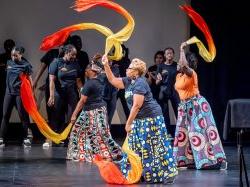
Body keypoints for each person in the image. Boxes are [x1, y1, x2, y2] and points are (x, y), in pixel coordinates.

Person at [101, 55, 177, 184]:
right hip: (139, 119)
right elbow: (113, 80)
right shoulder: (128, 81)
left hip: (151, 119)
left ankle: (168, 173)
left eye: (129, 68)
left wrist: (128, 123)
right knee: (136, 146)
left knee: (155, 146)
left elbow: (136, 106)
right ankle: (139, 172)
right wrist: (106, 65)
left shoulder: (140, 83)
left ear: (136, 71)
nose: (126, 69)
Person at [173, 42, 227, 170]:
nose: (178, 63)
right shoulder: (178, 75)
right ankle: (187, 160)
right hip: (184, 107)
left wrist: (181, 50)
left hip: (196, 106)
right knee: (183, 134)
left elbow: (184, 65)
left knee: (199, 133)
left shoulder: (191, 74)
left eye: (180, 62)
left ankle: (211, 161)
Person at [67, 63, 122, 162]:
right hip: (97, 110)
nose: (85, 72)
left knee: (94, 133)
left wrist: (74, 114)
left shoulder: (90, 83)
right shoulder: (101, 79)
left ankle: (112, 153)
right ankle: (85, 154)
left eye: (87, 70)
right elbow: (101, 71)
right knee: (92, 132)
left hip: (92, 111)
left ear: (92, 71)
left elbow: (82, 101)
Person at [33, 37, 71, 147]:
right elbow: (43, 68)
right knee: (52, 113)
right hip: (51, 88)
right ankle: (49, 138)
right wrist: (35, 81)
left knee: (63, 113)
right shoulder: (52, 54)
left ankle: (59, 136)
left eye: (65, 44)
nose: (62, 45)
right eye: (61, 43)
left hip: (64, 88)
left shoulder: (70, 55)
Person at [48, 44, 82, 144]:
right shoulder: (56, 62)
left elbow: (78, 80)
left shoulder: (76, 63)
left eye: (75, 55)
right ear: (66, 53)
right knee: (57, 115)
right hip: (59, 93)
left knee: (72, 116)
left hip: (72, 93)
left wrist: (82, 90)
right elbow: (52, 80)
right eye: (72, 55)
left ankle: (70, 137)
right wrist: (51, 95)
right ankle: (55, 137)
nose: (74, 57)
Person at [0, 46, 32, 148]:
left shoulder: (26, 65)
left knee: (23, 116)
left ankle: (26, 138)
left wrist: (32, 94)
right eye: (12, 55)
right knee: (5, 115)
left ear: (21, 55)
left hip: (19, 94)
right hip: (8, 93)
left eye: (15, 55)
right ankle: (1, 138)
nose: (13, 57)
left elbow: (29, 80)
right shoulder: (9, 62)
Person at [156, 47, 180, 136]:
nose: (169, 54)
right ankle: (168, 133)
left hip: (174, 92)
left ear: (173, 55)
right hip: (164, 92)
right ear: (165, 55)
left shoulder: (176, 65)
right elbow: (157, 82)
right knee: (165, 114)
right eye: (167, 53)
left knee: (178, 112)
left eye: (171, 53)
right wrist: (160, 77)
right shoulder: (161, 66)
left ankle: (180, 134)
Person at [0, 39, 16, 128]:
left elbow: (26, 74)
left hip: (16, 91)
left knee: (23, 113)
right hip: (3, 90)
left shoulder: (18, 58)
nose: (9, 48)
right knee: (4, 113)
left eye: (11, 46)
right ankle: (1, 136)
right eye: (7, 45)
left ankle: (27, 135)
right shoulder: (0, 58)